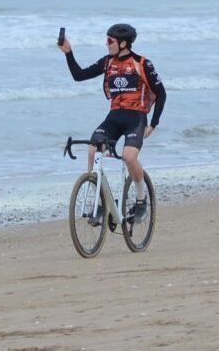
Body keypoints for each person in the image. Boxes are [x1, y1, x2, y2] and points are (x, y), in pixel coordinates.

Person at [59, 22, 166, 223]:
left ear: (123, 43)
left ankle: (142, 200)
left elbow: (161, 93)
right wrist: (68, 52)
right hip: (115, 117)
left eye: (110, 41)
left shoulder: (142, 63)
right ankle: (98, 204)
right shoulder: (108, 62)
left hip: (136, 117)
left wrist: (154, 123)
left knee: (128, 156)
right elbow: (79, 75)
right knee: (92, 150)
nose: (107, 44)